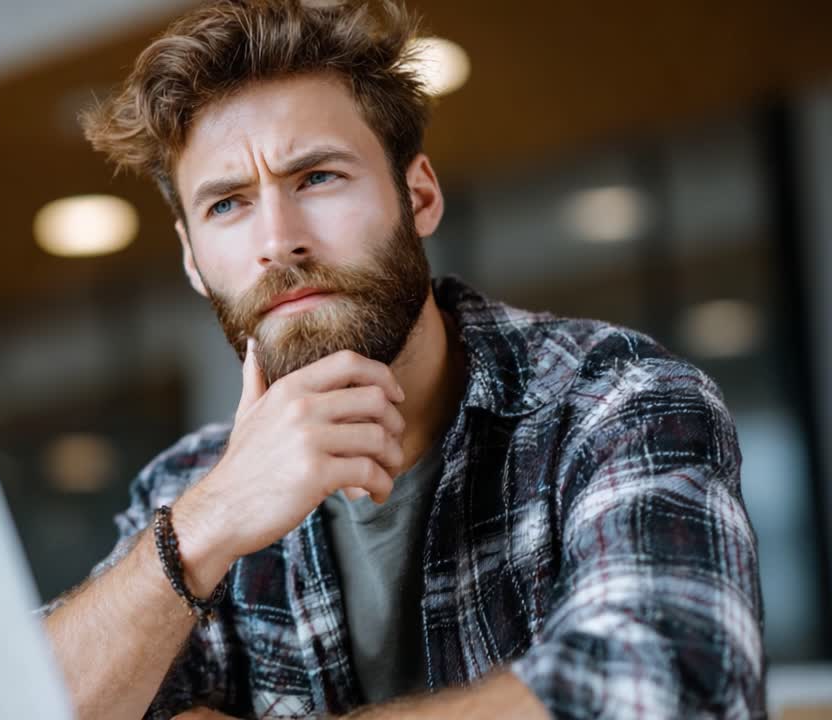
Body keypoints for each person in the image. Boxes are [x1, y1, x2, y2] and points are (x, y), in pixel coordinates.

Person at [38, 1, 765, 718]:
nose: (278, 240)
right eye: (227, 204)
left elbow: (665, 691)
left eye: (317, 177)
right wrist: (210, 523)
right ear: (194, 261)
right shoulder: (187, 490)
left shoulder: (615, 401)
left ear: (417, 197)